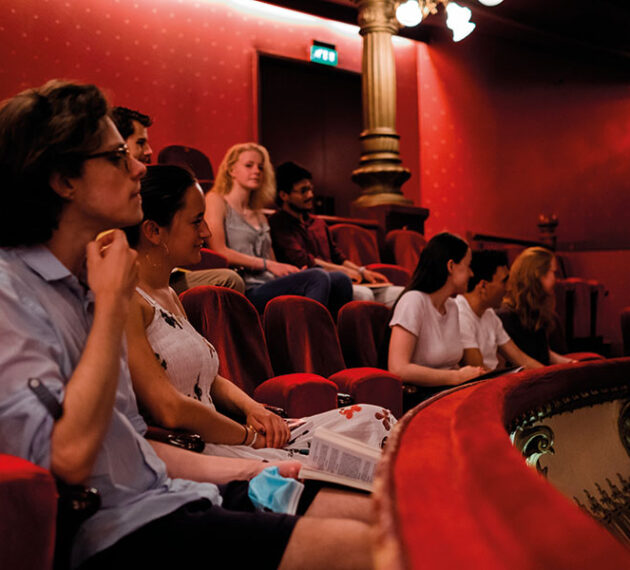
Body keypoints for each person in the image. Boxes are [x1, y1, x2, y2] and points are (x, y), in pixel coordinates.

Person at [0, 80, 373, 570]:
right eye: (117, 156)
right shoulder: (17, 290)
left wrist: (260, 468)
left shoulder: (91, 281)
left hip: (176, 490)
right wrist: (112, 304)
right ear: (64, 180)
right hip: (118, 529)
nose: (139, 167)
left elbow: (136, 448)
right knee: (373, 550)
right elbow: (66, 459)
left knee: (383, 511)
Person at [124, 164, 395, 462]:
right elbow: (171, 409)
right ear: (152, 230)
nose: (207, 232)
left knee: (374, 419)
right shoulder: (129, 302)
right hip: (202, 449)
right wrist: (250, 437)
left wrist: (253, 408)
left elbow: (208, 377)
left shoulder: (170, 295)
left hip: (236, 435)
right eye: (196, 221)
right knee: (359, 461)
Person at [111, 105, 245, 295]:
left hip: (162, 270)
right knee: (227, 280)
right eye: (140, 143)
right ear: (116, 145)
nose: (149, 151)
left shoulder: (141, 186)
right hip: (131, 280)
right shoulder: (107, 196)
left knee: (228, 279)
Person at [205, 143, 352, 314]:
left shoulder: (259, 214)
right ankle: (308, 338)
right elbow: (219, 251)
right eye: (249, 165)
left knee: (340, 279)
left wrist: (289, 272)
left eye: (260, 167)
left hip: (268, 282)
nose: (257, 171)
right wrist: (268, 265)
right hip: (246, 286)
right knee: (317, 277)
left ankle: (329, 336)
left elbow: (272, 260)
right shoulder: (216, 201)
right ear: (231, 170)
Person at [270, 161, 404, 308]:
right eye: (303, 191)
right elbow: (303, 260)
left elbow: (337, 256)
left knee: (399, 294)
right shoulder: (278, 224)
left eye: (311, 189)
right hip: (318, 285)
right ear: (284, 195)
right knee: (364, 295)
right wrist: (345, 272)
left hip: (341, 278)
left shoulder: (318, 223)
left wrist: (362, 271)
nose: (310, 195)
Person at [388, 232, 485, 401]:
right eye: (468, 265)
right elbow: (398, 368)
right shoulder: (413, 301)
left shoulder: (452, 306)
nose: (471, 274)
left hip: (450, 392)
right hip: (420, 397)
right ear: (450, 266)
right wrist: (456, 377)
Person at [456, 250, 544, 370]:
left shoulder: (489, 313)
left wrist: (551, 377)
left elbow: (520, 358)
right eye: (504, 282)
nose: (508, 288)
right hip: (480, 384)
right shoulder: (460, 313)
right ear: (483, 286)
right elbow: (479, 371)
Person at [496, 247, 575, 366]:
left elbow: (542, 353)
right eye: (553, 272)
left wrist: (572, 364)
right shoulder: (505, 316)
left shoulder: (536, 310)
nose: (556, 279)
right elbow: (518, 363)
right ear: (538, 274)